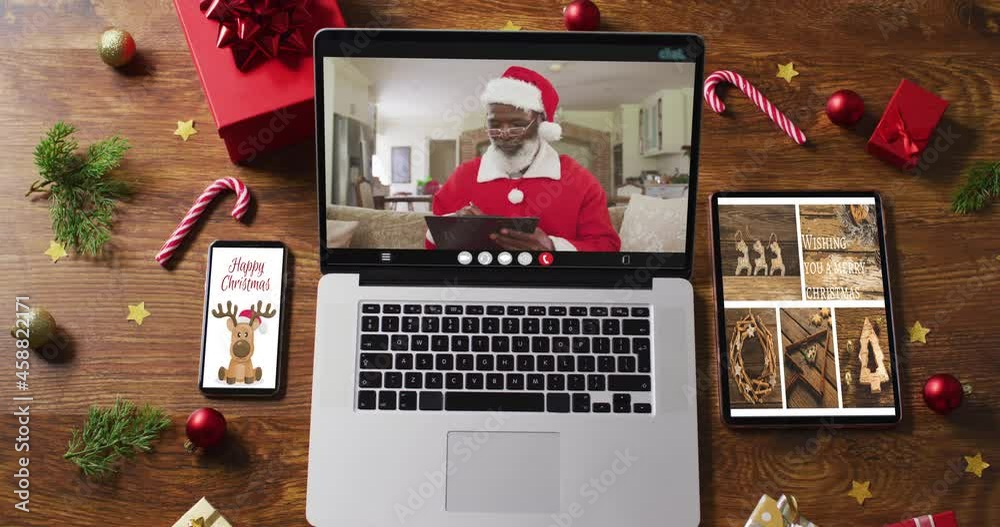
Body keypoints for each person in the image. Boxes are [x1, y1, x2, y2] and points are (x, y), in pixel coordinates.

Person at [426, 66, 621, 252]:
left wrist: (552, 247)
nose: (503, 134)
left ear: (542, 124)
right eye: (494, 124)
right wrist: (453, 229)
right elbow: (432, 247)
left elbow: (607, 247)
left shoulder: (579, 180)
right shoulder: (463, 176)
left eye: (517, 124)